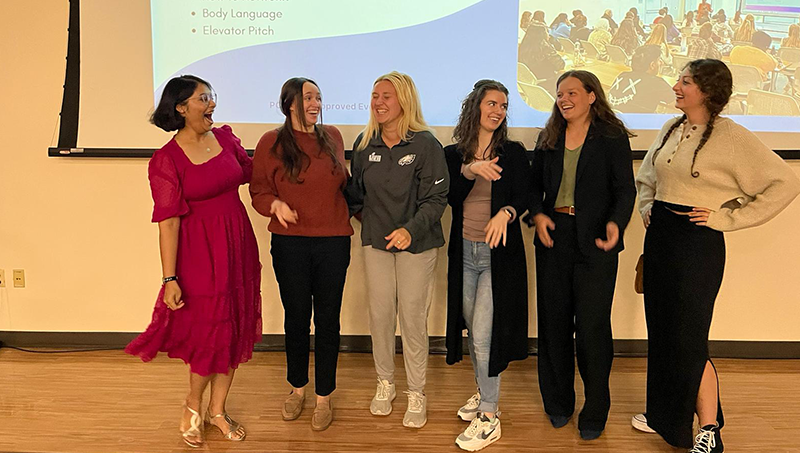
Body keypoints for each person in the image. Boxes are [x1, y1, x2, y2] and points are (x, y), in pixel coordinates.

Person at [633, 58, 800, 453]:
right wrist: (646, 205)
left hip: (697, 243)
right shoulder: (669, 128)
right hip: (661, 240)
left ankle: (709, 429)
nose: (676, 86)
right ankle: (666, 417)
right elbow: (647, 176)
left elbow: (785, 182)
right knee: (663, 333)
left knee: (689, 338)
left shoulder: (732, 136)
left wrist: (728, 218)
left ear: (707, 91)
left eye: (685, 81)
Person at [125, 75, 261, 447]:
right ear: (181, 108)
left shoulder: (227, 138)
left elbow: (253, 175)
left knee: (233, 329)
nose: (212, 104)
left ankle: (218, 409)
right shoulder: (166, 160)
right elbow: (167, 223)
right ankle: (192, 405)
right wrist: (170, 279)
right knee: (209, 335)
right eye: (204, 98)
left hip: (238, 246)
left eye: (212, 96)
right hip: (200, 255)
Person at [528, 70, 636, 441]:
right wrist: (538, 214)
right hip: (554, 238)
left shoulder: (611, 136)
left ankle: (595, 409)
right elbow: (532, 186)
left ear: (592, 96)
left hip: (595, 241)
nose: (563, 98)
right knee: (554, 325)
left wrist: (616, 224)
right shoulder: (549, 136)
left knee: (591, 329)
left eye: (572, 92)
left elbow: (625, 190)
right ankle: (558, 403)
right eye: (559, 93)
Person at [249, 77, 353, 431]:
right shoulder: (270, 142)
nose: (316, 102)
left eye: (319, 97)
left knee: (328, 320)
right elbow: (258, 191)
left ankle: (324, 397)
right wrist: (275, 204)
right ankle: (297, 389)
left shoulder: (333, 137)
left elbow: (344, 183)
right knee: (296, 319)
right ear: (290, 103)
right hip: (290, 243)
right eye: (309, 97)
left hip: (334, 242)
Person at [347, 71, 449, 429]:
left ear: (404, 100)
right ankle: (385, 383)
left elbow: (436, 199)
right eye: (375, 95)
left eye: (386, 96)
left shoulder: (425, 145)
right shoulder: (364, 144)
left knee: (412, 318)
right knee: (379, 315)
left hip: (417, 245)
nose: (378, 102)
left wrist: (410, 230)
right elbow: (355, 195)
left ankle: (416, 391)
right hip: (376, 243)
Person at [444, 80, 530, 451]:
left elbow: (525, 196)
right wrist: (469, 171)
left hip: (498, 255)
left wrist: (506, 213)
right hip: (464, 252)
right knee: (471, 331)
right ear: (476, 106)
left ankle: (490, 415)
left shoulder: (512, 152)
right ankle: (483, 393)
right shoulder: (454, 153)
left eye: (504, 105)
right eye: (492, 103)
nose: (498, 110)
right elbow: (448, 196)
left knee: (483, 335)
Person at [608, 45, 675, 113]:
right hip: (636, 122)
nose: (662, 63)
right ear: (652, 65)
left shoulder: (622, 76)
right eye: (659, 60)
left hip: (611, 120)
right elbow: (679, 103)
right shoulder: (656, 83)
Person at [519, 25, 566, 93]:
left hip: (528, 83)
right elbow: (561, 64)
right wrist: (551, 46)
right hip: (546, 83)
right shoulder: (544, 46)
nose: (548, 34)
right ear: (542, 35)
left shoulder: (523, 47)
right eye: (547, 32)